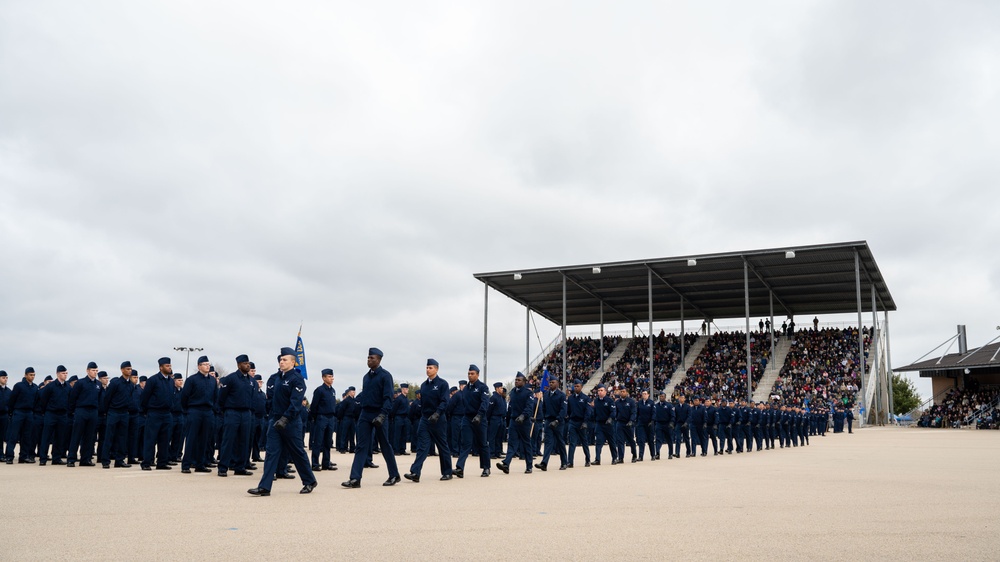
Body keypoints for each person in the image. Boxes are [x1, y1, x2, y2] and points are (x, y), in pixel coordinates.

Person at [248, 347, 318, 496]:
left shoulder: (297, 379)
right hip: (275, 420)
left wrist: (285, 418)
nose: (281, 362)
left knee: (297, 452)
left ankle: (309, 481)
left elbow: (295, 403)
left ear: (293, 362)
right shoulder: (278, 378)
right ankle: (264, 487)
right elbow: (273, 399)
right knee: (271, 453)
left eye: (285, 360)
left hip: (291, 422)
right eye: (280, 359)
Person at [342, 348, 400, 489]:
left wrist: (383, 414)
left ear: (379, 360)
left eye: (372, 358)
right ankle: (355, 479)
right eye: (368, 358)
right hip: (365, 414)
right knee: (361, 445)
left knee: (385, 445)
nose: (369, 360)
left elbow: (388, 398)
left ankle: (394, 475)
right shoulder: (366, 377)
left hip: (379, 413)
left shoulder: (385, 376)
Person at [404, 359, 453, 483]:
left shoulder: (442, 384)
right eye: (427, 367)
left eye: (430, 368)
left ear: (436, 369)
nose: (428, 370)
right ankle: (415, 472)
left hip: (438, 419)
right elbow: (423, 403)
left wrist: (437, 413)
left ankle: (447, 472)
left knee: (442, 446)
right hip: (425, 419)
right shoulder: (423, 386)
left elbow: (444, 401)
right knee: (422, 446)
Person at [218, 354, 256, 477]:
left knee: (244, 441)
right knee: (228, 440)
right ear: (239, 365)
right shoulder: (231, 378)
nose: (248, 365)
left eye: (248, 363)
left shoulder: (251, 381)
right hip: (232, 412)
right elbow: (221, 397)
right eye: (245, 363)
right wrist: (224, 411)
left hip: (246, 413)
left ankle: (240, 466)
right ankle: (223, 467)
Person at [180, 356, 216, 474]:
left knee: (204, 439)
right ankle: (186, 464)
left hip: (208, 411)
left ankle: (200, 464)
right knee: (191, 438)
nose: (207, 366)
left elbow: (216, 396)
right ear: (199, 366)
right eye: (205, 364)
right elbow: (184, 396)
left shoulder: (212, 380)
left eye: (208, 364)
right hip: (194, 410)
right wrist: (188, 410)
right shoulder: (192, 380)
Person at [495, 372, 535, 475]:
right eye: (516, 380)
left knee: (526, 443)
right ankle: (506, 464)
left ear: (524, 382)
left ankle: (529, 466)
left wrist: (523, 416)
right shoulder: (513, 392)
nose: (516, 381)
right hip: (514, 421)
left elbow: (529, 407)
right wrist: (508, 420)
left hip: (524, 421)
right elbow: (511, 407)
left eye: (519, 380)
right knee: (511, 443)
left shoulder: (528, 393)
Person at [456, 364, 491, 478]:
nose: (470, 376)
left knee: (482, 443)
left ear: (477, 374)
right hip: (467, 418)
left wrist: (480, 415)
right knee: (465, 443)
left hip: (480, 418)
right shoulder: (466, 389)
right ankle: (459, 468)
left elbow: (485, 402)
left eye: (472, 374)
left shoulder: (482, 387)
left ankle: (486, 468)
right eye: (469, 374)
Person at [67, 363, 101, 467]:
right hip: (81, 410)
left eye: (96, 371)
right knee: (76, 435)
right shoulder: (80, 383)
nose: (95, 372)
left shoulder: (98, 384)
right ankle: (71, 459)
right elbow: (73, 398)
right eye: (93, 370)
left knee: (90, 437)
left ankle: (85, 459)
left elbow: (99, 398)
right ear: (87, 371)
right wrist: (72, 412)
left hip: (93, 411)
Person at [100, 362, 134, 468]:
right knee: (109, 436)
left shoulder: (131, 385)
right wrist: (106, 411)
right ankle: (105, 461)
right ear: (122, 370)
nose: (129, 371)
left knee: (122, 438)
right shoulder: (116, 383)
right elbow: (107, 398)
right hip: (113, 412)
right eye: (127, 369)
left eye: (130, 369)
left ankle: (119, 460)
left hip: (124, 413)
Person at [38, 366, 71, 466]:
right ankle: (43, 458)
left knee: (60, 437)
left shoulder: (68, 386)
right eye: (63, 373)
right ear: (57, 374)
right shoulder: (50, 386)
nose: (65, 375)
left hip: (62, 415)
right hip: (51, 414)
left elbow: (70, 400)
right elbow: (43, 399)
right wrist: (45, 411)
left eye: (66, 373)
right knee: (46, 436)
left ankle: (56, 458)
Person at [6, 367, 39, 464]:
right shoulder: (19, 386)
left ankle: (24, 457)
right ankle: (9, 456)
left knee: (27, 436)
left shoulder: (35, 387)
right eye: (30, 375)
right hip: (18, 412)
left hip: (29, 413)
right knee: (13, 435)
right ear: (25, 375)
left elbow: (36, 400)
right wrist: (12, 412)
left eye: (33, 375)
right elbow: (12, 400)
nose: (32, 377)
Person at [535, 377, 567, 471]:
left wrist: (557, 420)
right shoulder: (546, 394)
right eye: (550, 382)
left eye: (553, 382)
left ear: (557, 383)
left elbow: (563, 410)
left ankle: (564, 462)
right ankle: (544, 463)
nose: (551, 384)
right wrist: (546, 417)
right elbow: (544, 408)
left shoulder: (561, 395)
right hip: (549, 421)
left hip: (558, 422)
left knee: (560, 442)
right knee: (548, 443)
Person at [309, 368, 338, 471]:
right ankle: (315, 463)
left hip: (331, 418)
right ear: (323, 378)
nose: (331, 378)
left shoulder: (332, 390)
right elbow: (314, 406)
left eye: (332, 376)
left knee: (327, 441)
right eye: (329, 377)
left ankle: (326, 463)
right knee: (318, 441)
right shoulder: (319, 390)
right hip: (321, 417)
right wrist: (316, 417)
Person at [566, 380, 591, 467]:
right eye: (575, 386)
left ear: (581, 387)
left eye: (578, 386)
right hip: (573, 422)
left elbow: (588, 411)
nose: (576, 388)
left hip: (582, 422)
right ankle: (570, 462)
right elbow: (568, 410)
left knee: (584, 441)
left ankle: (588, 460)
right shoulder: (570, 398)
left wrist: (585, 422)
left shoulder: (585, 398)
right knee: (572, 443)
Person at [590, 384, 615, 465]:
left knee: (611, 442)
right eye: (598, 391)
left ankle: (614, 458)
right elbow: (594, 412)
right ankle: (597, 459)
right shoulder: (596, 401)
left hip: (608, 424)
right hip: (599, 424)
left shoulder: (609, 401)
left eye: (601, 390)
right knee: (599, 442)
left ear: (605, 391)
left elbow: (613, 411)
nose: (600, 392)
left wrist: (610, 418)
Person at [613, 388, 637, 464]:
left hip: (629, 423)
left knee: (631, 441)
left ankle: (634, 455)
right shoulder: (617, 402)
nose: (622, 393)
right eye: (621, 391)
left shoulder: (631, 402)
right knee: (620, 441)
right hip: (620, 423)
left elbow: (633, 412)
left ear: (627, 392)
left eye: (624, 391)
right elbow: (615, 412)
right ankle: (620, 457)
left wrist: (631, 421)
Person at [487, 382, 507, 458]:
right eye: (501, 388)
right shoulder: (493, 398)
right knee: (493, 436)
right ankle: (492, 453)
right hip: (494, 418)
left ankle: (498, 452)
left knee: (499, 436)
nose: (502, 389)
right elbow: (489, 410)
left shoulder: (501, 397)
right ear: (497, 388)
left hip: (501, 418)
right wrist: (488, 419)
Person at [653, 392, 674, 460]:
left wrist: (671, 422)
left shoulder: (669, 405)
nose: (661, 397)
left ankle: (670, 454)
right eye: (660, 396)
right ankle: (657, 453)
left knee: (669, 439)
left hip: (667, 424)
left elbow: (673, 415)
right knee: (658, 439)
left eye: (662, 396)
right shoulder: (656, 406)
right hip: (659, 424)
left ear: (665, 397)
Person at [635, 391, 655, 461]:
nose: (644, 395)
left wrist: (652, 420)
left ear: (648, 395)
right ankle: (640, 456)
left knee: (650, 440)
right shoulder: (639, 403)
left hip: (649, 424)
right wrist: (636, 422)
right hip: (641, 424)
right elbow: (636, 413)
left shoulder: (651, 403)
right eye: (643, 394)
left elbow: (653, 413)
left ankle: (653, 455)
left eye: (645, 394)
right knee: (641, 440)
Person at [391, 383, 411, 455]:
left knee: (404, 434)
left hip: (405, 418)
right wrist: (394, 417)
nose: (407, 390)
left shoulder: (406, 398)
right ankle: (396, 450)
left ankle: (402, 449)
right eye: (406, 389)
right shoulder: (399, 399)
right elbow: (394, 409)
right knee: (397, 434)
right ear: (403, 389)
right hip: (399, 417)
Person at [0, 371, 10, 460]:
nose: (5, 379)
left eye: (6, 378)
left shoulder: (8, 391)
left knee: (3, 435)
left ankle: (2, 454)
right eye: (3, 377)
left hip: (5, 415)